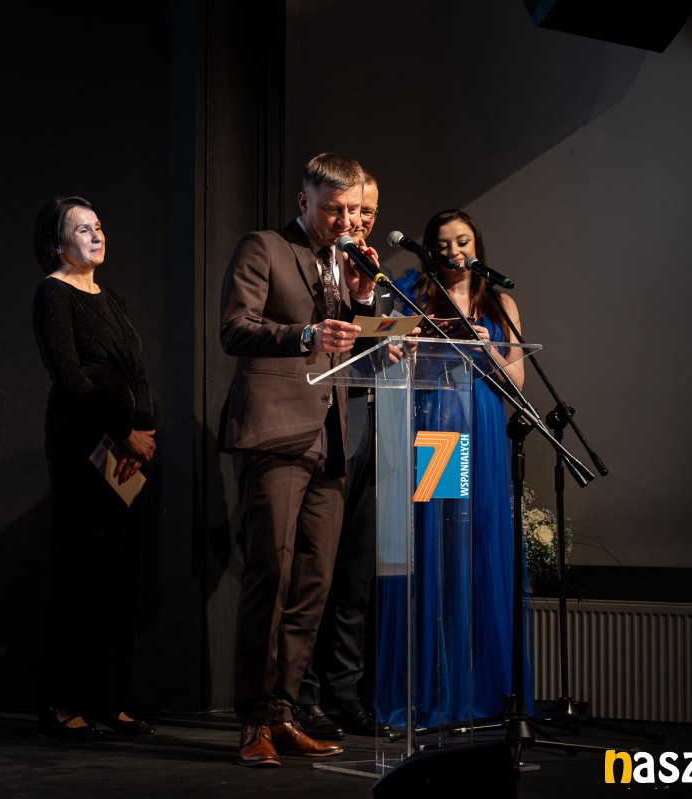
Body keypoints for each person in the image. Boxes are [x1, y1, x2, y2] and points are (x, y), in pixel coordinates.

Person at [219, 153, 381, 767]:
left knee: (313, 583)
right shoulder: (263, 247)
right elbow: (235, 329)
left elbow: (347, 349)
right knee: (272, 574)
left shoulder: (343, 265)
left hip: (330, 437)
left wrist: (363, 305)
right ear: (303, 201)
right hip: (275, 432)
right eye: (334, 209)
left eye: (355, 210)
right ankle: (253, 721)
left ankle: (285, 713)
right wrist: (307, 335)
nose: (347, 221)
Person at [381, 208, 534, 728]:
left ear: (477, 245)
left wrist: (490, 350)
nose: (454, 252)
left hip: (483, 428)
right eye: (443, 244)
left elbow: (517, 383)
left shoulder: (499, 302)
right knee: (441, 549)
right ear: (429, 249)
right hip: (438, 430)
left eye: (463, 242)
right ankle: (436, 689)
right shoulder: (413, 295)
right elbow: (388, 356)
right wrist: (403, 345)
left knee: (477, 546)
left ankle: (480, 688)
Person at [30, 196, 157, 741]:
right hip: (83, 440)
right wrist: (122, 431)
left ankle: (110, 699)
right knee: (80, 566)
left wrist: (144, 429)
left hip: (125, 449)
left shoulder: (111, 297)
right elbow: (69, 374)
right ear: (58, 243)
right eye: (82, 229)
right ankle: (64, 703)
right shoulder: (53, 293)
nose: (96, 235)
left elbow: (136, 369)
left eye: (98, 226)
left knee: (117, 570)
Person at [295, 171, 393, 739]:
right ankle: (301, 694)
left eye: (367, 212)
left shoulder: (369, 272)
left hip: (370, 425)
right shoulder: (307, 260)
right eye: (350, 210)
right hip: (319, 427)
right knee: (313, 571)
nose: (357, 221)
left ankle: (344, 692)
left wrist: (390, 339)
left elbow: (370, 349)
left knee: (355, 571)